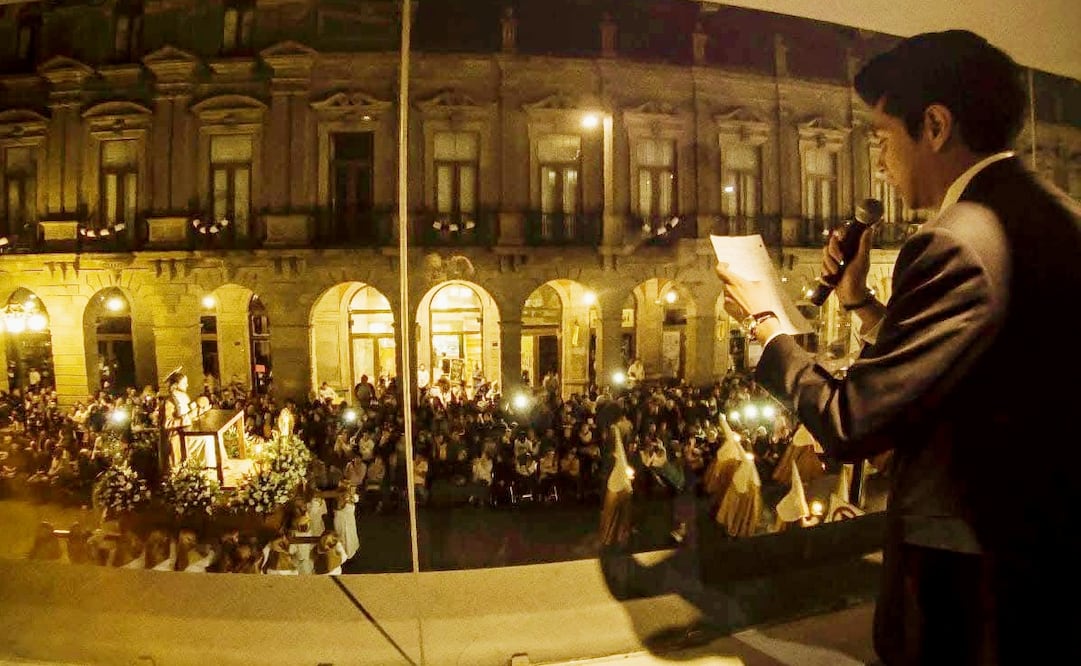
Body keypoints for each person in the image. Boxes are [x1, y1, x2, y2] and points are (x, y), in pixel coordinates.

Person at [713, 30, 1081, 665]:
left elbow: (851, 421)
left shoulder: (954, 239)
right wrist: (860, 304)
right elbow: (979, 366)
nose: (878, 163)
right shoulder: (1061, 215)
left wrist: (769, 328)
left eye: (882, 138)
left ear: (934, 125)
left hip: (965, 594)